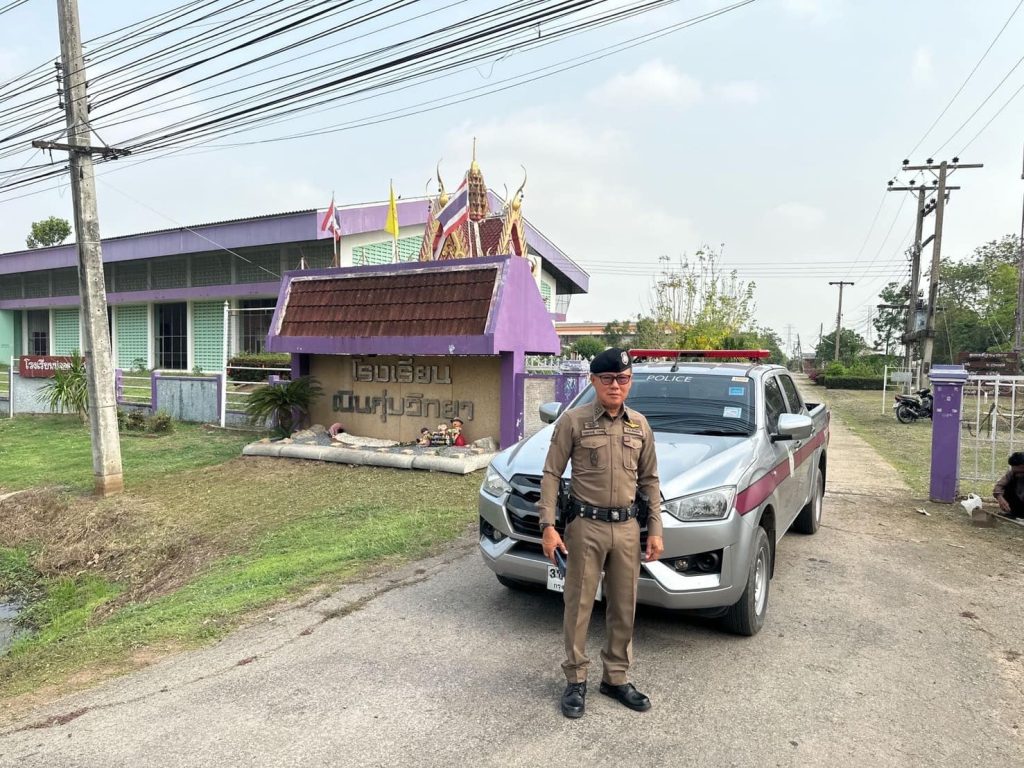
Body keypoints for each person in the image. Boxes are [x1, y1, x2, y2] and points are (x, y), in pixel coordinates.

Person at [536, 347, 663, 719]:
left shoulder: (640, 425)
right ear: (593, 381)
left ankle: (616, 678)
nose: (615, 386)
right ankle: (576, 679)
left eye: (623, 379)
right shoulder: (573, 421)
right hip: (585, 527)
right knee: (578, 606)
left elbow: (650, 480)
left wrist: (655, 528)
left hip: (627, 529)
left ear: (630, 382)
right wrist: (548, 526)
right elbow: (551, 474)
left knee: (624, 607)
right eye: (607, 379)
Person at [993, 451, 1024, 519]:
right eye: (1016, 472)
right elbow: (999, 486)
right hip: (1019, 505)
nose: (1018, 475)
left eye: (1021, 472)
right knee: (1006, 486)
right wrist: (1000, 497)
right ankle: (1013, 513)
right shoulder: (1012, 473)